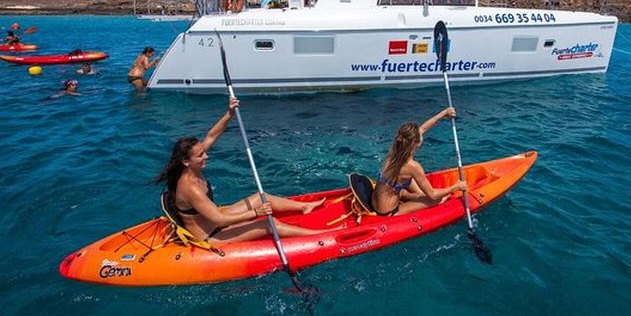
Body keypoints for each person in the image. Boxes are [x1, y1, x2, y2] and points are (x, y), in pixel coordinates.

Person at [154, 97, 335, 242]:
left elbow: (211, 135)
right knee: (269, 223)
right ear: (186, 161)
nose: (206, 156)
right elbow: (219, 219)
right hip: (211, 235)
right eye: (201, 155)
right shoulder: (189, 187)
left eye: (204, 152)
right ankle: (320, 236)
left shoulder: (192, 164)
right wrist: (256, 214)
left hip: (215, 222)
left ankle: (305, 206)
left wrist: (229, 113)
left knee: (260, 197)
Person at [371, 107, 468, 216]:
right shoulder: (413, 166)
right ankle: (412, 197)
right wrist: (457, 187)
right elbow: (433, 195)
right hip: (387, 211)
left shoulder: (396, 149)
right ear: (417, 143)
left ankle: (407, 195)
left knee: (410, 181)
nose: (422, 132)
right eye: (420, 134)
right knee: (435, 199)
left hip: (376, 202)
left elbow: (423, 128)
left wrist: (444, 113)